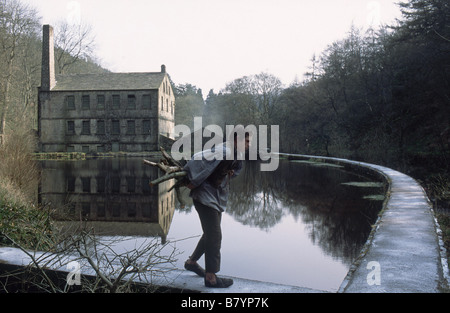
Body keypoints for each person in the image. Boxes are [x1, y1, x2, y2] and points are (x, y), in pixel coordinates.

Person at [183, 129, 252, 288]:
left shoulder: (236, 154)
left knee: (210, 234)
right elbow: (197, 159)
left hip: (215, 197)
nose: (249, 145)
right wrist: (193, 180)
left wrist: (231, 172)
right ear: (237, 140)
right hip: (204, 196)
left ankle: (192, 262)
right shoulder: (223, 150)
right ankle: (211, 278)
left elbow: (235, 170)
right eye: (247, 141)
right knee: (215, 236)